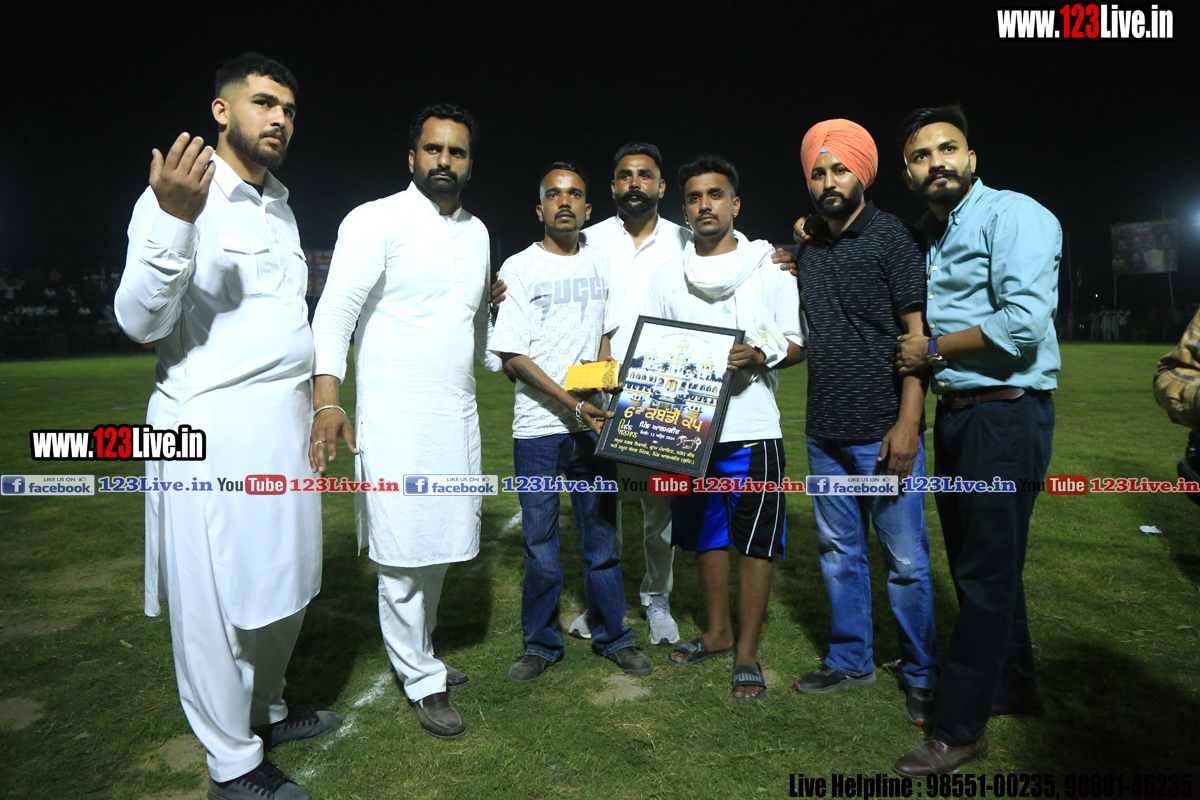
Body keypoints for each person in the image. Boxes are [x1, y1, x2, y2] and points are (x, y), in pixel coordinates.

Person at [115, 53, 339, 800]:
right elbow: (138, 320)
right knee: (211, 601)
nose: (280, 119)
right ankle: (232, 764)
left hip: (284, 420)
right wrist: (175, 221)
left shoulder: (281, 207)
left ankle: (265, 709)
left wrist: (317, 400)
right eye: (264, 103)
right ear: (221, 110)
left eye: (289, 110)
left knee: (287, 580)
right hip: (205, 423)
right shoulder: (178, 197)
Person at [309, 104, 501, 741]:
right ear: (412, 156)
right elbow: (336, 312)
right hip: (393, 416)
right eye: (434, 149)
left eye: (457, 152)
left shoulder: (477, 233)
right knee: (400, 550)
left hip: (456, 413)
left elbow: (472, 326)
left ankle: (422, 653)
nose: (445, 161)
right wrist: (328, 399)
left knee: (441, 545)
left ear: (470, 163)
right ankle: (421, 678)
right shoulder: (374, 219)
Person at [892, 104, 1060, 776]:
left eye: (948, 148)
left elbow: (1022, 324)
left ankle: (960, 730)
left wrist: (932, 348)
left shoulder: (1014, 214)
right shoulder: (934, 234)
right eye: (921, 155)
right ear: (908, 173)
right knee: (981, 566)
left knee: (985, 574)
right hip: (961, 415)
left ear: (971, 158)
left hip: (1005, 414)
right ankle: (1013, 685)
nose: (936, 162)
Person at [787, 120, 938, 725]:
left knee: (906, 562)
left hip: (883, 432)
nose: (829, 181)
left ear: (863, 174)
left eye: (840, 169)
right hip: (825, 431)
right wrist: (793, 245)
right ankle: (851, 659)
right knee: (838, 552)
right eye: (818, 172)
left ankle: (922, 674)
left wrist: (908, 425)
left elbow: (917, 337)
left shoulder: (893, 239)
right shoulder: (809, 247)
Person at [490, 161, 653, 684]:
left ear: (588, 208)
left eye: (575, 194)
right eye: (554, 195)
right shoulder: (518, 267)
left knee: (601, 540)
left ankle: (614, 636)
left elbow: (604, 334)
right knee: (540, 545)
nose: (565, 202)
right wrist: (572, 402)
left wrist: (603, 384)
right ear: (540, 209)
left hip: (591, 427)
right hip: (537, 429)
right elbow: (513, 355)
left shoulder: (600, 262)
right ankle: (541, 644)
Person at [651, 155, 805, 699]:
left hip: (752, 426)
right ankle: (717, 633)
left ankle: (747, 651)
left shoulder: (770, 265)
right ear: (685, 209)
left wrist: (759, 355)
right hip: (689, 428)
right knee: (705, 535)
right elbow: (654, 349)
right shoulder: (667, 276)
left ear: (735, 203)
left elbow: (796, 342)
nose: (705, 205)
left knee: (755, 541)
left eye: (715, 194)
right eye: (694, 197)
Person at [568, 142, 690, 646]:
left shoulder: (686, 239)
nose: (634, 182)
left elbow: (739, 255)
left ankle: (657, 599)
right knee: (603, 507)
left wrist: (782, 256)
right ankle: (604, 600)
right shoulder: (589, 239)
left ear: (661, 186)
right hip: (601, 392)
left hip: (662, 396)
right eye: (625, 175)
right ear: (613, 186)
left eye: (644, 175)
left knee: (659, 509)